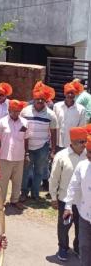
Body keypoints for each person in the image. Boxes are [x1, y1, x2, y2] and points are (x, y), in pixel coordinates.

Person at [49, 127, 87, 261]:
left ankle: (77, 248)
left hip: (83, 201)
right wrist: (53, 197)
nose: (84, 145)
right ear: (73, 142)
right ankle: (63, 248)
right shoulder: (62, 156)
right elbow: (54, 179)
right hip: (66, 201)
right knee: (64, 226)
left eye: (85, 142)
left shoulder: (87, 155)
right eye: (81, 142)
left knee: (81, 227)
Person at [20, 81, 58, 201]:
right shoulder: (25, 111)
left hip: (43, 147)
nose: (40, 101)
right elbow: (21, 129)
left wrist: (53, 150)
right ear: (34, 98)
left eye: (42, 99)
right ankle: (24, 193)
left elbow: (53, 132)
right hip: (27, 147)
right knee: (25, 171)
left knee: (39, 171)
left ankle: (35, 194)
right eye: (38, 98)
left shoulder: (51, 115)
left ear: (46, 99)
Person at [0, 99, 29, 209]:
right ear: (9, 110)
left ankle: (15, 200)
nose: (15, 113)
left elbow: (26, 139)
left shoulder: (25, 122)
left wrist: (26, 154)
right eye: (13, 110)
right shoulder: (1, 122)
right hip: (5, 156)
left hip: (19, 156)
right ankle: (0, 201)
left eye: (18, 111)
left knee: (18, 181)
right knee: (3, 181)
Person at [63, 135, 91, 266]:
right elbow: (73, 186)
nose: (89, 155)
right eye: (89, 152)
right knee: (84, 247)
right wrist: (68, 206)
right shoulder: (82, 166)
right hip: (85, 215)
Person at [53, 81, 86, 151]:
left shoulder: (81, 109)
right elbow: (53, 125)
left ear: (75, 94)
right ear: (65, 94)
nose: (70, 95)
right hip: (58, 143)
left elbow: (81, 128)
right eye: (68, 93)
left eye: (72, 93)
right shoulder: (57, 106)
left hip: (73, 144)